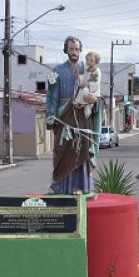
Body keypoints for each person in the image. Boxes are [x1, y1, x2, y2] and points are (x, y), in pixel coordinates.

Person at [45, 36, 101, 194]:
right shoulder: (56, 71)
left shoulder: (89, 69)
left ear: (80, 50)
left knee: (81, 150)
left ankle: (81, 186)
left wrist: (95, 99)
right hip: (64, 117)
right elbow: (51, 96)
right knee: (62, 151)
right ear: (66, 50)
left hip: (82, 116)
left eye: (77, 49)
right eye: (71, 49)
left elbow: (97, 92)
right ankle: (59, 187)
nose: (74, 52)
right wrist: (50, 116)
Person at [72, 50, 101, 118]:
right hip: (86, 90)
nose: (88, 62)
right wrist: (78, 76)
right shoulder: (86, 70)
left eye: (91, 60)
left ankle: (79, 103)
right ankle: (83, 103)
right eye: (87, 60)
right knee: (82, 90)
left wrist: (88, 84)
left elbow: (96, 83)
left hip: (94, 92)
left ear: (96, 62)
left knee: (85, 90)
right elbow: (83, 79)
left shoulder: (97, 70)